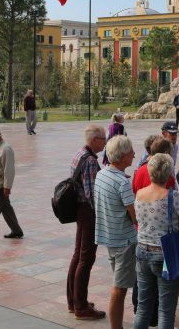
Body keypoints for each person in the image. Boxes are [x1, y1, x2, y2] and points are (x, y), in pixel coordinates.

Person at [133, 154, 179, 329]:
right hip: (165, 254)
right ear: (169, 174)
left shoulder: (139, 194)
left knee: (143, 307)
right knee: (166, 311)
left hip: (142, 250)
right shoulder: (172, 197)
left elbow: (139, 220)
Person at [94, 135, 137, 329]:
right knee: (119, 289)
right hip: (124, 240)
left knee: (119, 285)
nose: (134, 154)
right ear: (121, 156)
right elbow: (134, 216)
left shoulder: (101, 174)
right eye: (130, 152)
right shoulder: (123, 182)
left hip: (108, 236)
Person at [67, 125, 108, 320]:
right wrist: (102, 215)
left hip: (79, 210)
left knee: (78, 255)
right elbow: (92, 195)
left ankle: (73, 300)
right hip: (88, 212)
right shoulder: (91, 161)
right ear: (94, 140)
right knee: (86, 259)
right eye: (103, 139)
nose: (106, 142)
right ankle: (81, 307)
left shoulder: (79, 153)